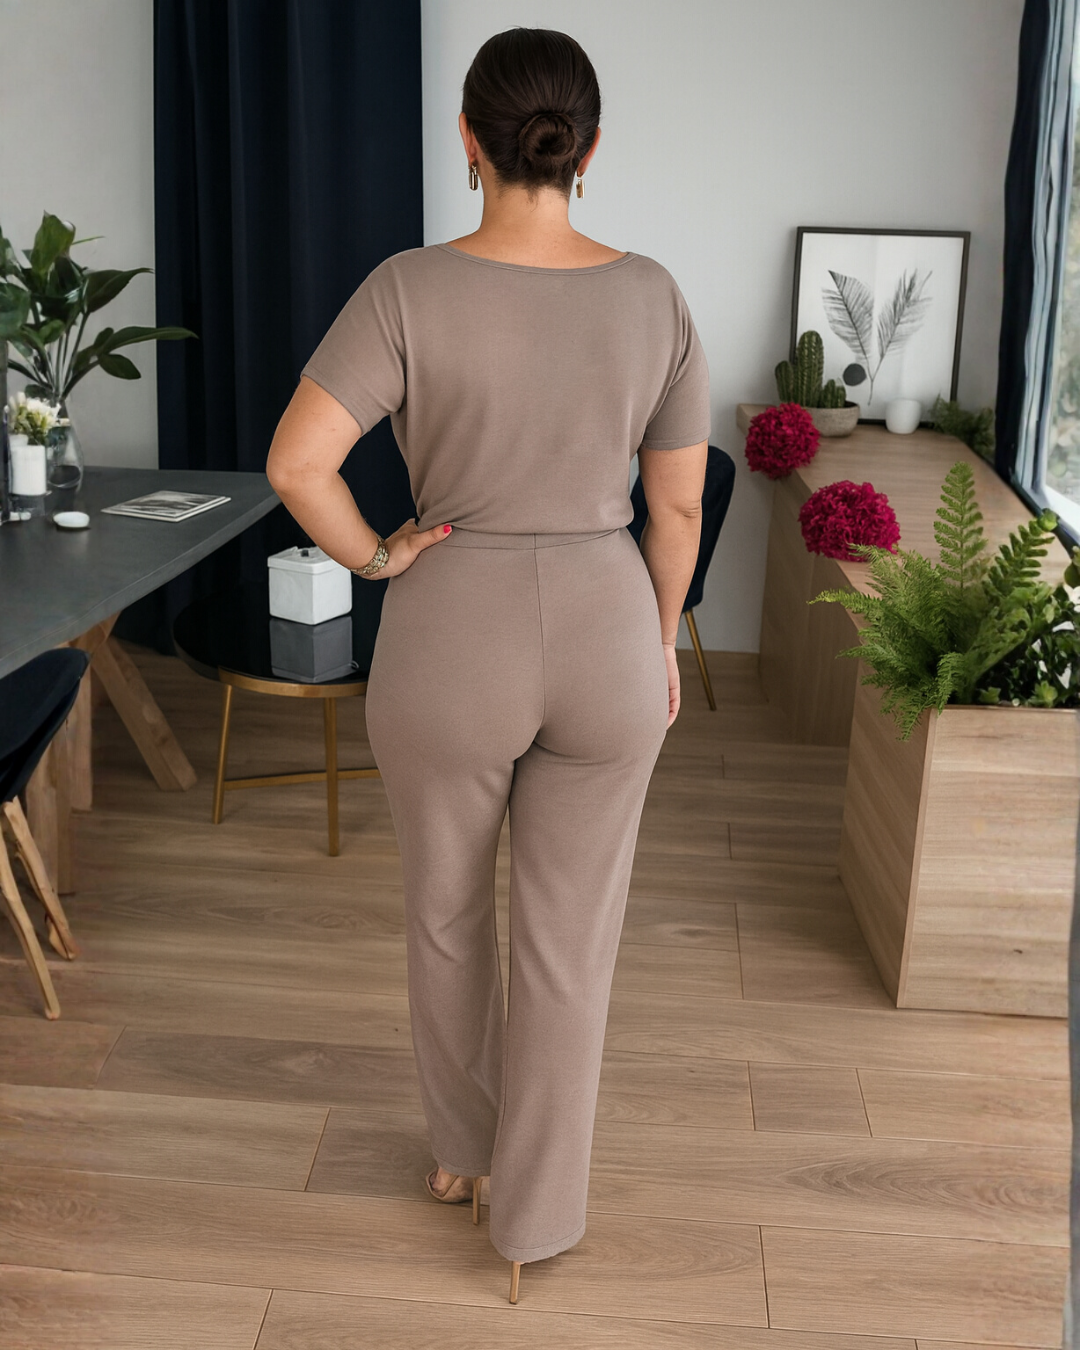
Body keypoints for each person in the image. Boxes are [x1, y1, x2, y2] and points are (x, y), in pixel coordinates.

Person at [266, 25, 710, 1306]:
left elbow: (298, 464)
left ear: (468, 139)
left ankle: (463, 1153)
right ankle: (534, 1217)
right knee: (571, 941)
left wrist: (377, 555)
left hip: (449, 627)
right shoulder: (654, 296)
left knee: (448, 911)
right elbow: (677, 510)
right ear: (587, 148)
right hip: (605, 627)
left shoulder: (406, 288)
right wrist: (659, 638)